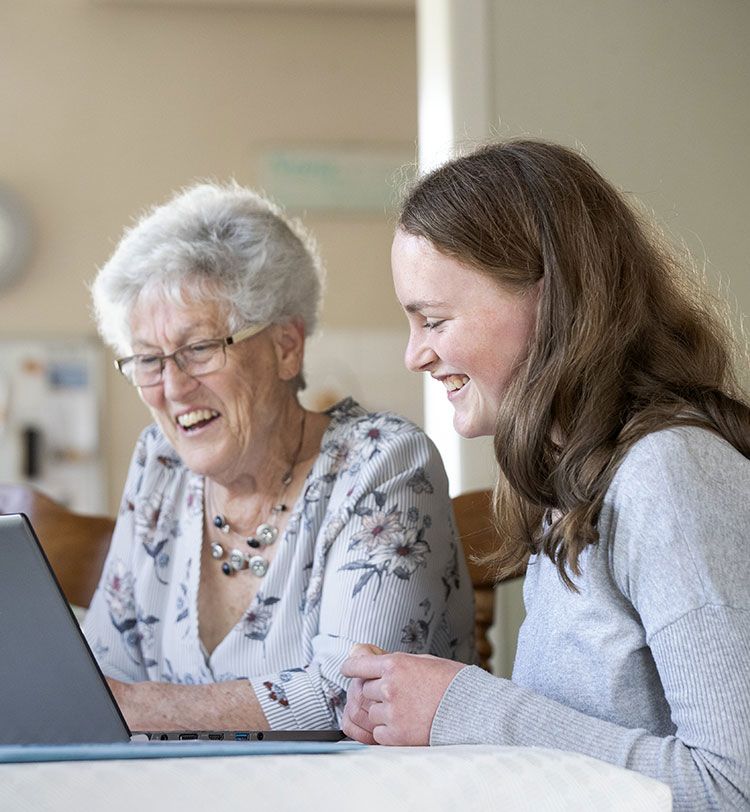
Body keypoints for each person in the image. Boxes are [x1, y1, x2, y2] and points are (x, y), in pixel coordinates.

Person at [341, 140, 750, 810]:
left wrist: (465, 711)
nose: (417, 353)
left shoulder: (670, 477)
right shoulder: (572, 482)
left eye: (435, 319)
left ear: (550, 298)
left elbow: (733, 787)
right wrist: (434, 725)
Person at [83, 181, 474, 733]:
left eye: (198, 349)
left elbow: (359, 698)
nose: (172, 387)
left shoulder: (383, 463)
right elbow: (102, 670)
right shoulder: (160, 464)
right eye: (148, 359)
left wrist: (140, 708)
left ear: (286, 346)